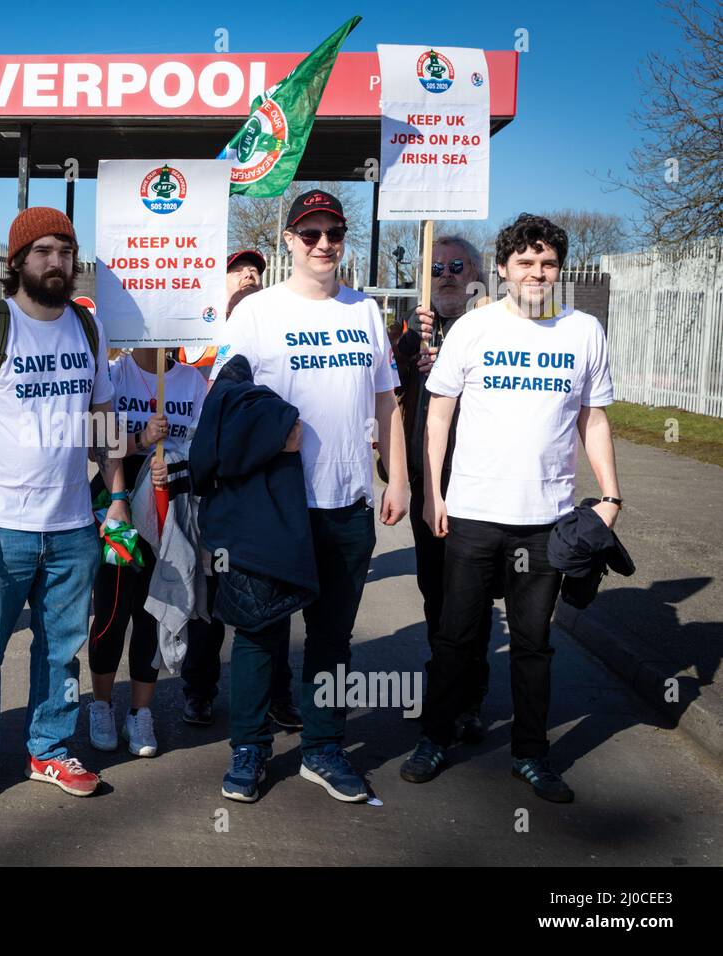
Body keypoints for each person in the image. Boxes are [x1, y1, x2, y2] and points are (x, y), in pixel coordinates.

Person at [401, 214, 623, 803]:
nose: (537, 273)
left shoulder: (584, 331)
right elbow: (439, 413)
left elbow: (593, 418)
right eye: (525, 262)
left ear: (559, 269)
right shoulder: (474, 329)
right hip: (472, 512)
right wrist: (432, 493)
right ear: (502, 269)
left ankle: (531, 753)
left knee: (533, 645)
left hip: (545, 520)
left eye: (547, 263)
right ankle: (435, 737)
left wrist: (611, 496)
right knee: (456, 635)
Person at [210, 189, 409, 803]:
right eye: (311, 233)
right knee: (260, 632)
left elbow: (386, 402)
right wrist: (274, 432)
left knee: (333, 640)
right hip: (277, 507)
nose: (324, 243)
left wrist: (396, 476)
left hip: (347, 505)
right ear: (290, 242)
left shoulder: (365, 312)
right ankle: (249, 751)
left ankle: (323, 750)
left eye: (334, 233)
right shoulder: (256, 313)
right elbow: (224, 406)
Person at [0, 207, 127, 812]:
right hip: (3, 528)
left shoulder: (86, 328)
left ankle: (49, 748)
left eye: (66, 251)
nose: (57, 262)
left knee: (60, 648)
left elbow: (104, 420)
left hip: (74, 526)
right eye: (44, 250)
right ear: (17, 261)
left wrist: (119, 495)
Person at [181, 253, 300, 732]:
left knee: (272, 597)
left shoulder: (277, 331)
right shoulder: (200, 341)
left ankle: (277, 693)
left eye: (256, 271)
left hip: (265, 487)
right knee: (208, 599)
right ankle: (199, 690)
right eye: (240, 270)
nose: (251, 276)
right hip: (211, 484)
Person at [394, 236, 493, 744]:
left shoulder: (495, 326)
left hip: (480, 483)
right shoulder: (412, 330)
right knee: (436, 592)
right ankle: (445, 685)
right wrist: (412, 344)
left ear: (476, 272)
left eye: (458, 266)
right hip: (428, 481)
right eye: (437, 268)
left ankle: (469, 696)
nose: (448, 275)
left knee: (473, 598)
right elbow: (384, 384)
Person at [87, 346, 207, 757]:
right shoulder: (113, 374)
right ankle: (101, 704)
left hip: (168, 509)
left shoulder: (191, 381)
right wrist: (140, 440)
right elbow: (95, 443)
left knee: (154, 609)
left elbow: (204, 446)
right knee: (112, 609)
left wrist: (172, 460)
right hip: (116, 509)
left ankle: (141, 713)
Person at [178, 250, 265, 377]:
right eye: (238, 271)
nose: (248, 275)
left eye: (253, 271)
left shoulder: (274, 321)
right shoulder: (202, 323)